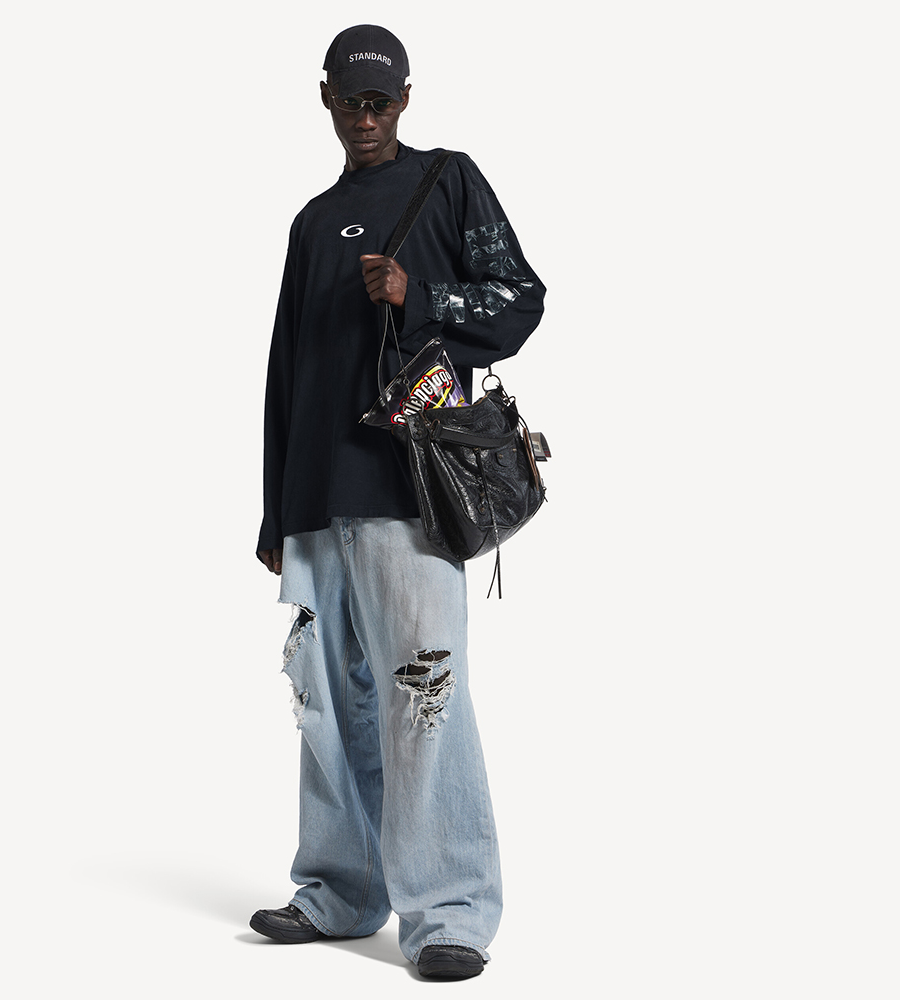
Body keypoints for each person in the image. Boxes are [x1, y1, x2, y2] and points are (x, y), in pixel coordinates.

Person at [251, 24, 545, 980]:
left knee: (425, 694)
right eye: (351, 100)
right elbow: (286, 370)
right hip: (315, 499)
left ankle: (450, 911)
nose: (366, 117)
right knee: (324, 706)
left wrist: (422, 295)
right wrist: (274, 511)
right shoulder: (312, 222)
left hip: (407, 492)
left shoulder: (448, 181)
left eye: (381, 102)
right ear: (327, 99)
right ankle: (340, 891)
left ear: (406, 100)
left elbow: (521, 299)